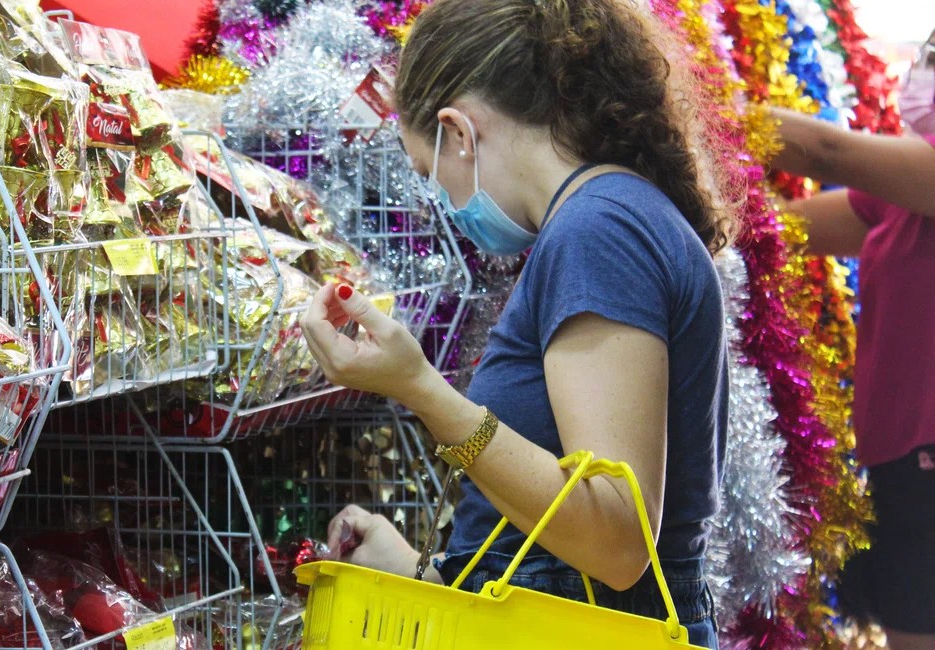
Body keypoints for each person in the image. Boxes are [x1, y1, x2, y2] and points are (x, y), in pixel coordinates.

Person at [298, 0, 732, 647]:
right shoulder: (611, 219)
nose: (444, 200)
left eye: (430, 173)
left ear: (460, 132)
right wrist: (438, 573)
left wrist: (420, 389)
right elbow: (569, 541)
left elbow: (616, 541)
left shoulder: (598, 232)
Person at [766, 28, 935, 650]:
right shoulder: (903, 194)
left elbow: (825, 152)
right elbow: (787, 229)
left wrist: (691, 108)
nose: (921, 72)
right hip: (900, 458)